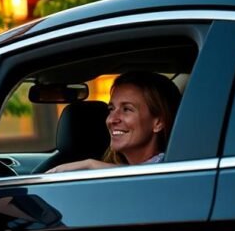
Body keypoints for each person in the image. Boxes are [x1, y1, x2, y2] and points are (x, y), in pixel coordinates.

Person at [48, 71, 180, 173]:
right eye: (111, 109)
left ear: (158, 123)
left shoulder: (170, 170)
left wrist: (91, 165)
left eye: (127, 109)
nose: (111, 119)